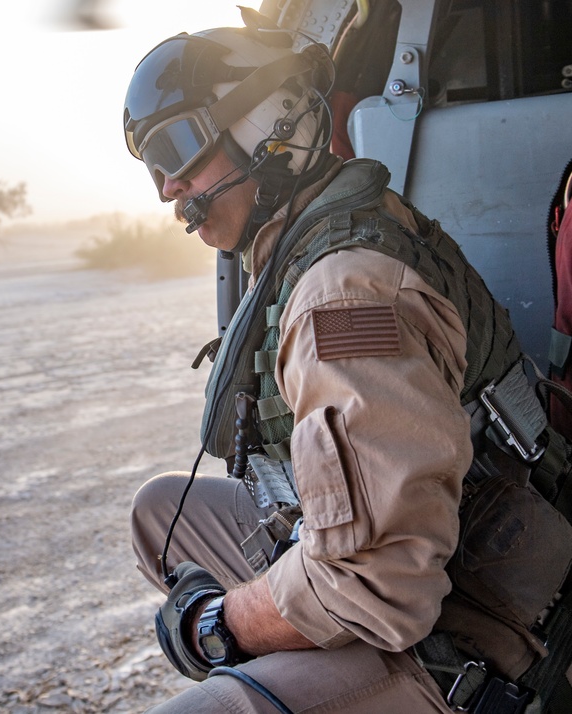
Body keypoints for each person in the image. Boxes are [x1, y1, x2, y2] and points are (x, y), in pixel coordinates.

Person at [123, 17, 572, 714]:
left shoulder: (340, 293)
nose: (166, 188)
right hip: (443, 548)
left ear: (268, 129)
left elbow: (381, 583)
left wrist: (220, 625)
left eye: (178, 149)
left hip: (479, 626)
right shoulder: (318, 235)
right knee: (158, 512)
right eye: (154, 166)